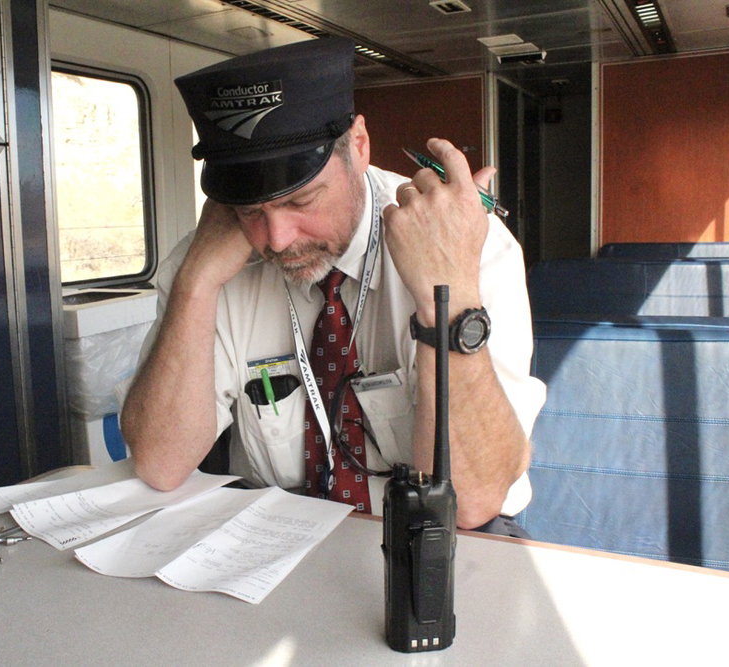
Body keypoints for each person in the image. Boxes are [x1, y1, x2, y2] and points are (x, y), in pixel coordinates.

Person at [121, 37, 546, 532]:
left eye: (301, 202)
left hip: (436, 537)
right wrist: (196, 283)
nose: (276, 240)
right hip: (274, 532)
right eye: (250, 211)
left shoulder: (474, 246)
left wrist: (446, 292)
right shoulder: (210, 257)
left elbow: (471, 503)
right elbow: (160, 464)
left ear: (359, 146)